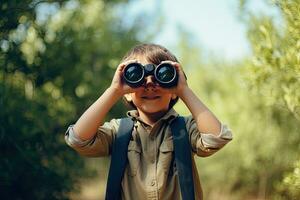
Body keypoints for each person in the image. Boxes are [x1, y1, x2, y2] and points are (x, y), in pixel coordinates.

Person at [65, 43, 233, 200]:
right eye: (137, 75)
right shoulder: (119, 131)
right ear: (128, 92)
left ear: (173, 88)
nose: (150, 83)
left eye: (162, 75)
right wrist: (114, 90)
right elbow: (79, 139)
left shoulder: (186, 128)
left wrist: (184, 90)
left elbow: (216, 138)